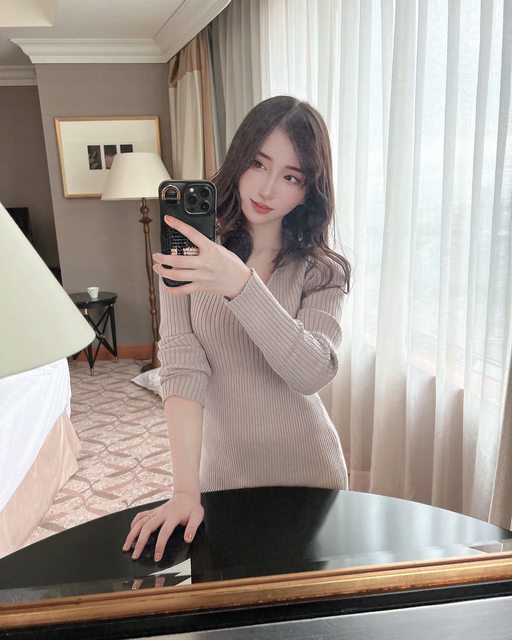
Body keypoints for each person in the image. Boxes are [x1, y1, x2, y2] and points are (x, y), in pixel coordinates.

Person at [123, 95, 351, 562]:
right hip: (224, 478)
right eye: (258, 163)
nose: (267, 188)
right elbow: (183, 368)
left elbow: (311, 373)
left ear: (307, 191)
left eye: (291, 177)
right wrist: (184, 491)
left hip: (311, 476)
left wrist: (241, 285)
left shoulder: (321, 271)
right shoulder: (187, 257)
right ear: (238, 159)